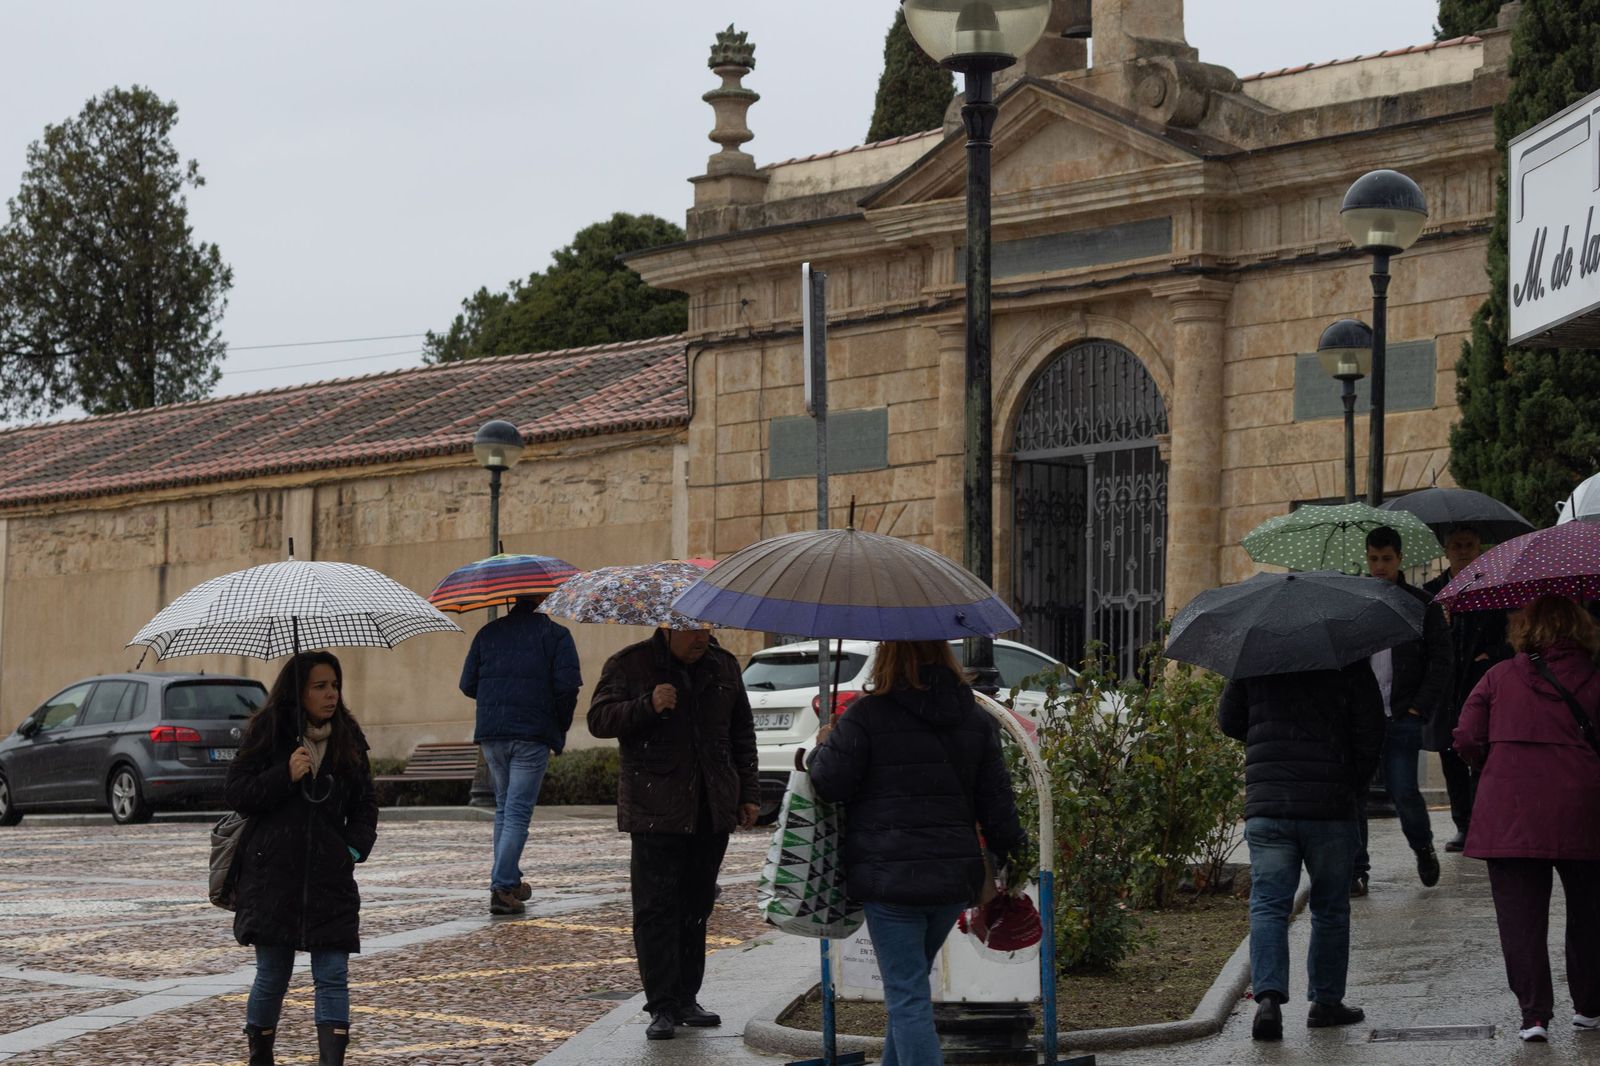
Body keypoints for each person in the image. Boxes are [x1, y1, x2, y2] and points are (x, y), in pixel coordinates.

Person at [808, 640, 1026, 1066]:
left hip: (889, 878)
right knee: (909, 989)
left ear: (886, 659)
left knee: (906, 996)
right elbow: (996, 798)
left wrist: (824, 747)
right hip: (951, 879)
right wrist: (1009, 857)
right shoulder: (974, 718)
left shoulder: (867, 715)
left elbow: (830, 783)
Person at [587, 626, 760, 1041]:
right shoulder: (630, 664)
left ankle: (686, 997)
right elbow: (599, 720)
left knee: (696, 905)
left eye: (707, 630)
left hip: (710, 806)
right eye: (692, 631)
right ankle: (661, 1004)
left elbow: (741, 732)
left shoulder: (724, 666)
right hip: (655, 807)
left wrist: (747, 792)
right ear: (668, 627)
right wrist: (647, 704)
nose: (702, 638)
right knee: (656, 908)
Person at [1454, 594, 1600, 1043]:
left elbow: (1465, 737)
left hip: (1511, 810)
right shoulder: (1596, 678)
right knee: (1591, 913)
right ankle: (1590, 1007)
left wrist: (1495, 765)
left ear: (1525, 628)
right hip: (1584, 808)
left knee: (1521, 920)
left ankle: (1534, 1016)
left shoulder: (1497, 676)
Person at [225, 651, 378, 1066]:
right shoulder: (268, 732)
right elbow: (238, 794)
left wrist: (352, 849)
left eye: (335, 686)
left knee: (332, 975)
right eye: (320, 686)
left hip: (330, 877)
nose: (331, 695)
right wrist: (284, 775)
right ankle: (261, 1057)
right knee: (273, 975)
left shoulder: (348, 736)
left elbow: (365, 803)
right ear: (298, 690)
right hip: (273, 878)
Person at [1220, 661, 1385, 1041]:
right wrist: (1352, 785)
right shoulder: (1348, 660)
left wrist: (1271, 740)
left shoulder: (1256, 658)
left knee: (1268, 905)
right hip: (1330, 807)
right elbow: (1371, 730)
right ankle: (1326, 1003)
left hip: (1270, 805)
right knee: (1330, 907)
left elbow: (1229, 721)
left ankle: (1268, 1000)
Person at [459, 594, 582, 916]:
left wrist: (497, 692)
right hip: (531, 732)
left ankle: (509, 882)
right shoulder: (555, 635)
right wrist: (559, 724)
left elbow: (467, 684)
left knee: (504, 808)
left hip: (492, 730)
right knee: (516, 811)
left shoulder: (489, 633)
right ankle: (501, 887)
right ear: (543, 599)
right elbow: (568, 686)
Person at [1353, 525, 1452, 895]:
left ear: (1399, 559)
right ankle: (1357, 868)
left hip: (1403, 713)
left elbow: (1441, 660)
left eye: (1387, 559)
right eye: (1374, 559)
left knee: (1403, 789)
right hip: (1363, 716)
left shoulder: (1420, 604)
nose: (1380, 566)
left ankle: (1422, 847)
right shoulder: (1357, 603)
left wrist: (1418, 708)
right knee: (1355, 792)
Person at [1421, 525, 1512, 851]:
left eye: (1468, 545)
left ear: (1478, 548)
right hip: (1446, 689)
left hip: (1481, 684)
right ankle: (1464, 824)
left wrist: (1493, 655)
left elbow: (1512, 636)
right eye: (1456, 545)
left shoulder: (1495, 587)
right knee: (1450, 755)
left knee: (1482, 754)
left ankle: (1482, 823)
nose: (1462, 551)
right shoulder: (1431, 592)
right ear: (1446, 550)